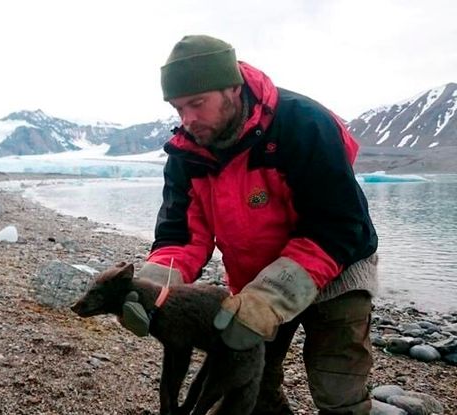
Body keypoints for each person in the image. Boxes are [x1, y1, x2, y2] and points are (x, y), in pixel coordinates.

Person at [128, 35, 379, 414]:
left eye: (197, 103)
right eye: (178, 108)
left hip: (339, 267)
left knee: (338, 389)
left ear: (233, 87)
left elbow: (337, 227)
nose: (188, 119)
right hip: (255, 276)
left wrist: (268, 299)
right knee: (248, 380)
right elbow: (180, 237)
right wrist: (151, 291)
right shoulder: (187, 153)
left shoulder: (303, 125)